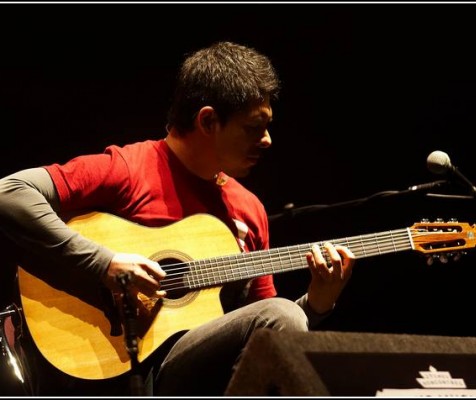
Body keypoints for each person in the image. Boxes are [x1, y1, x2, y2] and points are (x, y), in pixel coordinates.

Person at [0, 41, 355, 396]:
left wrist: (316, 303)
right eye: (252, 127)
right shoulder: (130, 169)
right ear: (208, 120)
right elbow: (9, 193)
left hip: (194, 373)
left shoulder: (249, 208)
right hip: (118, 366)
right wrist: (105, 264)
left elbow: (262, 327)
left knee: (284, 315)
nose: (267, 140)